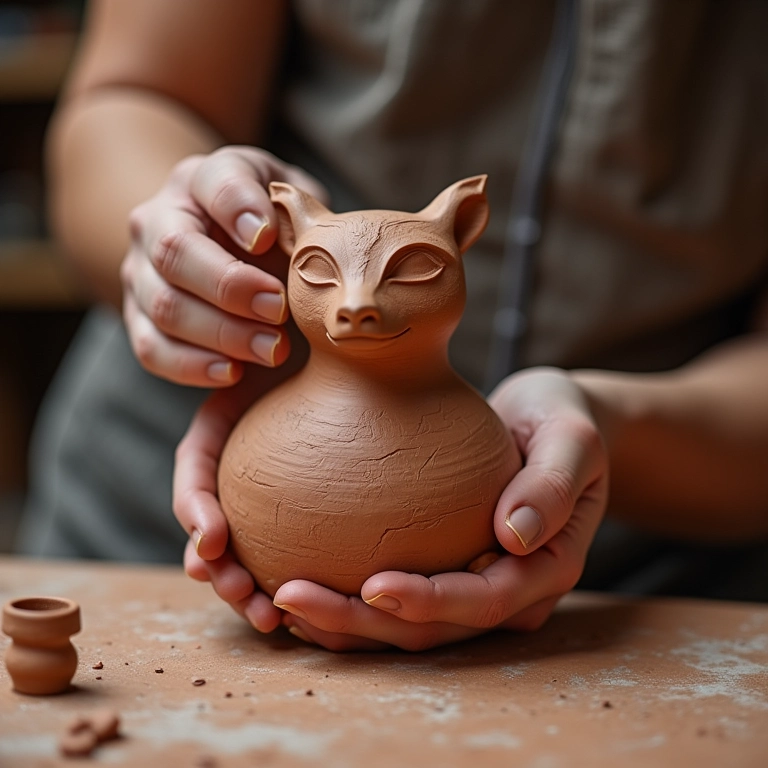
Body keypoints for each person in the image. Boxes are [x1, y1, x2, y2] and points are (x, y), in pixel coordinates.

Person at [17, 0, 768, 651]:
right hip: (161, 518)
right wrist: (193, 253)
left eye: (411, 271)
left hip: (653, 587)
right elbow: (133, 94)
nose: (361, 304)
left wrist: (611, 423)